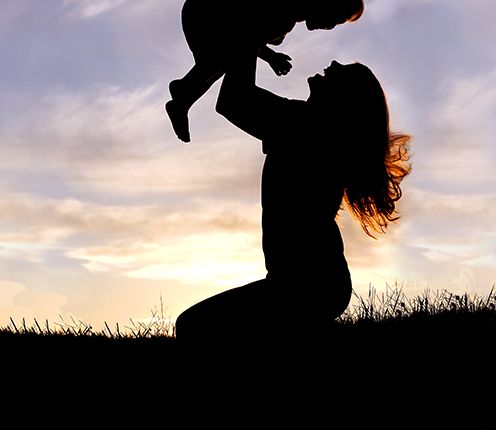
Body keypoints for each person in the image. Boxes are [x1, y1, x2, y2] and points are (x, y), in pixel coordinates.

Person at [174, 50, 410, 345]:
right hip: (314, 285)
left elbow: (233, 100)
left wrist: (248, 34)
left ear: (344, 100)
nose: (334, 64)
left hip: (307, 286)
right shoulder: (307, 123)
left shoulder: (305, 123)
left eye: (344, 72)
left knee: (193, 327)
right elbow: (234, 100)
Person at [166, 0, 363, 142]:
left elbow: (250, 37)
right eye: (336, 18)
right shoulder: (284, 8)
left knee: (222, 60)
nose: (331, 26)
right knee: (222, 59)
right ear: (324, 0)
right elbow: (248, 35)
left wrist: (271, 56)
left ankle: (183, 97)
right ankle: (183, 90)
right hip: (205, 11)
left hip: (206, 11)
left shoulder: (286, 13)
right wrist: (270, 57)